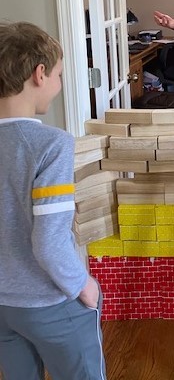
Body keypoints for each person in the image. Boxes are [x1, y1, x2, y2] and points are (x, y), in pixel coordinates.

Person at [0, 21, 106, 380]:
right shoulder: (51, 145)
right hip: (51, 302)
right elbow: (48, 241)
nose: (59, 85)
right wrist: (83, 285)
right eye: (59, 74)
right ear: (39, 74)